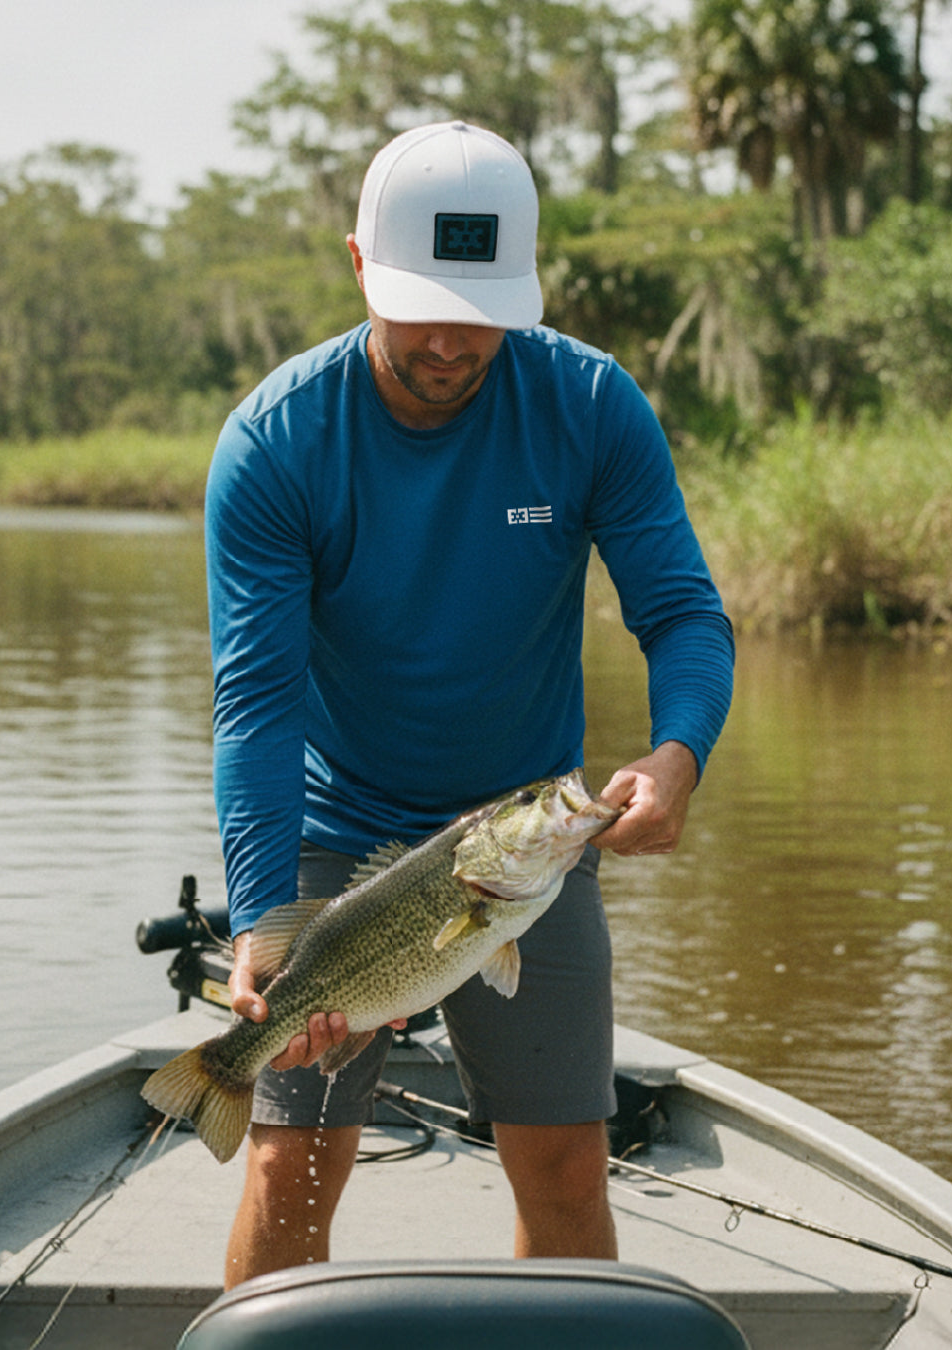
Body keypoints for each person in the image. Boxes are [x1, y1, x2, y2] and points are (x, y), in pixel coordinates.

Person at [205, 120, 734, 1288]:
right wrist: (256, 921)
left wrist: (680, 752)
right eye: (416, 305)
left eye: (479, 310)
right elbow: (255, 705)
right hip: (338, 839)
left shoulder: (589, 405)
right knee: (288, 1162)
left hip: (529, 836)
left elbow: (684, 616)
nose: (448, 341)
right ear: (356, 266)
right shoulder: (278, 441)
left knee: (562, 1166)